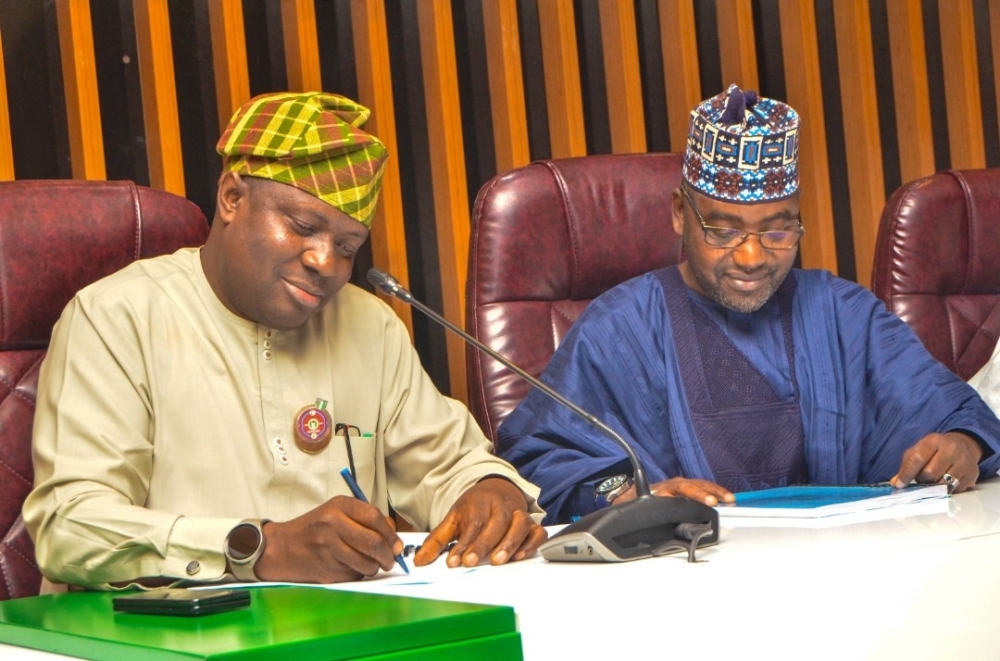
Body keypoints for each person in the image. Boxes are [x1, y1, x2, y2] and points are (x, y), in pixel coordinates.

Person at [25, 91, 545, 591]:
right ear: (232, 198)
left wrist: (489, 492)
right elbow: (71, 526)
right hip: (159, 636)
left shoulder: (369, 325)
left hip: (339, 632)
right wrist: (261, 548)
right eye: (302, 226)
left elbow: (448, 463)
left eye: (346, 247)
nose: (325, 262)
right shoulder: (118, 316)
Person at [496, 84, 1000, 525]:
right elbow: (540, 458)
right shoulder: (620, 326)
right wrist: (629, 496)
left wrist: (963, 444)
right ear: (679, 214)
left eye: (778, 229)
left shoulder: (844, 313)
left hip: (844, 573)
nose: (753, 256)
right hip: (678, 580)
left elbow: (961, 415)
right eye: (723, 229)